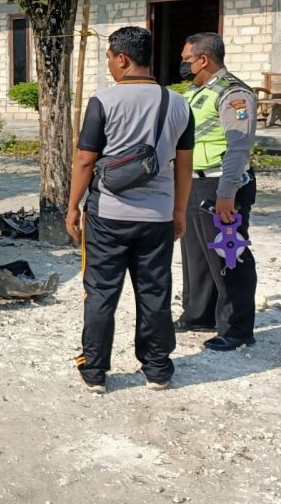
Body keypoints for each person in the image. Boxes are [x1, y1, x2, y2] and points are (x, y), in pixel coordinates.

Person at [66, 26, 194, 393]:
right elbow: (183, 167)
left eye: (108, 57)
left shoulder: (103, 102)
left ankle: (94, 371)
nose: (108, 64)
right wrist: (179, 211)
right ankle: (157, 369)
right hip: (157, 218)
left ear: (122, 59)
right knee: (155, 292)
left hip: (108, 215)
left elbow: (85, 161)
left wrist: (73, 206)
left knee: (102, 292)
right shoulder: (179, 104)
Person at [175, 32, 258, 352]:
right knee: (196, 254)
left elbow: (239, 146)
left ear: (204, 59)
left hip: (223, 184)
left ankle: (236, 328)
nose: (183, 63)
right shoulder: (196, 92)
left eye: (186, 58)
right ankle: (199, 315)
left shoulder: (234, 94)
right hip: (196, 182)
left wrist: (227, 193)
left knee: (229, 254)